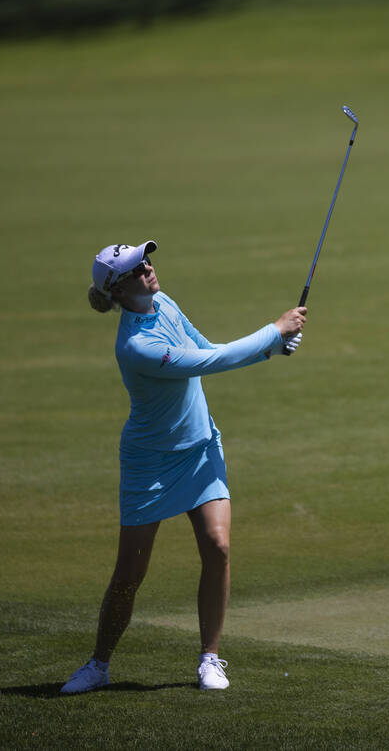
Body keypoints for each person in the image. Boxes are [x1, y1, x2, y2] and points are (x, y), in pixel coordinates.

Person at [61, 240, 306, 694]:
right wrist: (273, 331)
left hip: (200, 448)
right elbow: (208, 362)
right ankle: (98, 664)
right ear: (116, 289)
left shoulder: (164, 301)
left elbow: (207, 347)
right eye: (137, 269)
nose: (148, 268)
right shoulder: (137, 345)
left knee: (217, 546)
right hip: (150, 463)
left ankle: (210, 659)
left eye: (147, 261)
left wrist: (272, 348)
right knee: (129, 574)